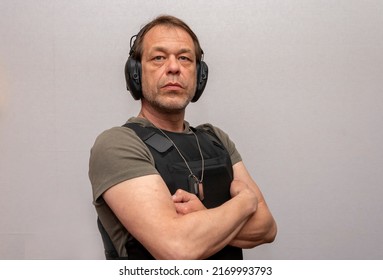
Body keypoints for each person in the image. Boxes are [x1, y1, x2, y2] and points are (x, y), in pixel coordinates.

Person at [89, 15, 277, 260]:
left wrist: (200, 219)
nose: (174, 67)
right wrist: (245, 202)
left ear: (199, 76)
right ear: (135, 74)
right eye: (158, 58)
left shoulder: (216, 139)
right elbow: (178, 248)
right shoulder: (118, 145)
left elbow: (266, 228)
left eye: (185, 58)